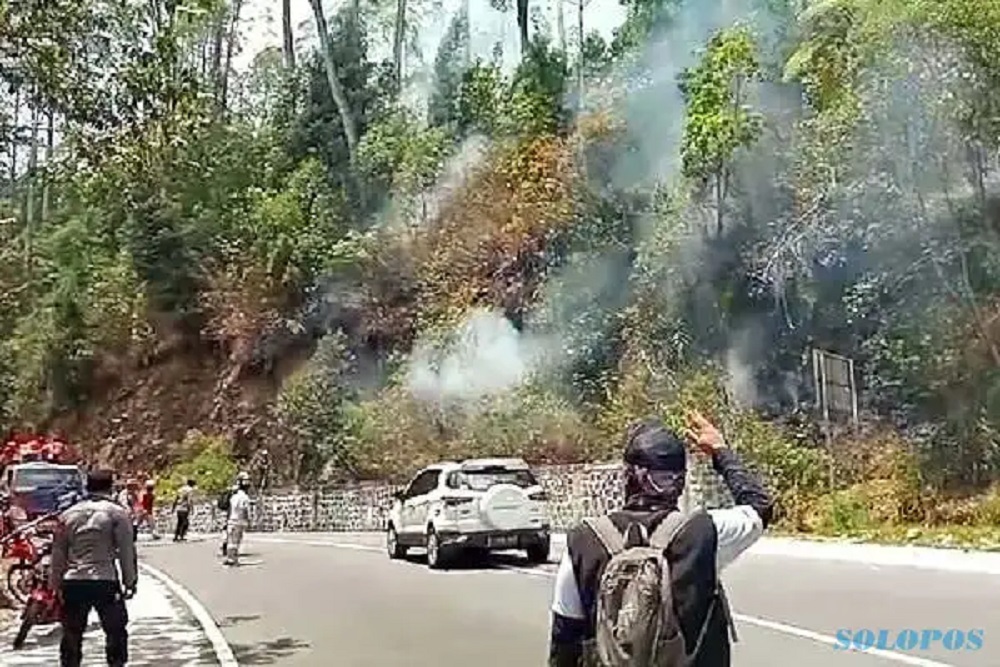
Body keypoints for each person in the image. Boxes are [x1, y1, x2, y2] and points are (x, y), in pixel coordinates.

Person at [548, 411, 774, 667]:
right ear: (680, 482)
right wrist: (720, 451)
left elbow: (564, 637)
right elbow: (760, 506)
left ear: (627, 476)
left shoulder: (583, 540)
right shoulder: (705, 533)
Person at [50, 469, 137, 667]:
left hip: (74, 581)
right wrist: (130, 581)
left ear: (87, 487)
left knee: (72, 634)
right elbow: (126, 550)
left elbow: (58, 552)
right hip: (105, 581)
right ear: (111, 487)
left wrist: (55, 585)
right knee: (115, 631)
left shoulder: (67, 515)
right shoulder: (117, 514)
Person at [223, 472, 251, 566]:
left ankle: (229, 558)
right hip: (239, 521)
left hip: (231, 520)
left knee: (230, 540)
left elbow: (230, 507)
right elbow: (245, 510)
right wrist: (248, 520)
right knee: (236, 541)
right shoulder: (244, 497)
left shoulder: (233, 496)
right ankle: (233, 559)